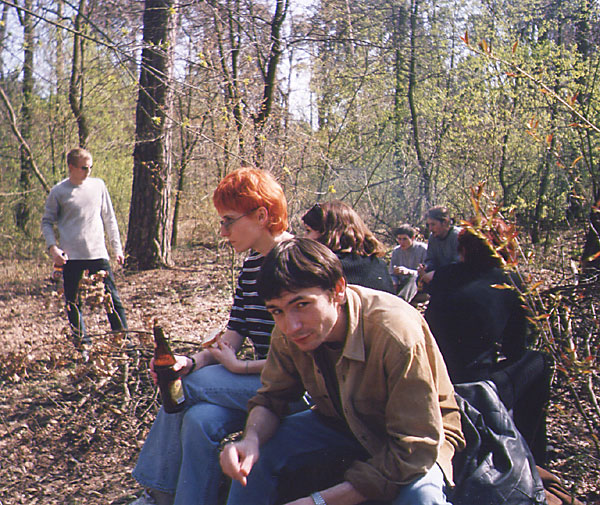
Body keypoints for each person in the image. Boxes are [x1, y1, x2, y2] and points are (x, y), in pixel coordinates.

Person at [220, 237, 466, 505]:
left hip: (420, 437)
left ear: (337, 290)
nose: (291, 326)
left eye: (302, 304)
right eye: (276, 311)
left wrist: (319, 501)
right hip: (341, 421)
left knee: (421, 498)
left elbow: (415, 446)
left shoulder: (394, 332)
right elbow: (272, 398)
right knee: (254, 456)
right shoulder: (290, 330)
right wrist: (251, 439)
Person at [130, 168, 297, 505]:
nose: (222, 232)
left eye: (229, 221)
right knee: (198, 419)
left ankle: (157, 496)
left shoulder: (295, 261)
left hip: (296, 387)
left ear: (261, 215)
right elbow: (235, 332)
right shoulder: (252, 264)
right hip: (263, 386)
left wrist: (238, 368)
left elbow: (300, 359)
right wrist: (190, 362)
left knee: (187, 387)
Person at [424, 222, 550, 465]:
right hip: (475, 390)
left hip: (436, 380)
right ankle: (534, 456)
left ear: (463, 249)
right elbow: (515, 349)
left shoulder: (445, 275)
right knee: (540, 361)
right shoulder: (510, 282)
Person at [41, 148, 127, 357]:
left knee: (112, 299)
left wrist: (117, 248)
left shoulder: (98, 186)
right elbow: (47, 222)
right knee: (73, 302)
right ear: (71, 167)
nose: (88, 171)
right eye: (84, 168)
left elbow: (109, 218)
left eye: (90, 167)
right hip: (71, 257)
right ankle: (83, 346)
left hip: (98, 253)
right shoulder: (59, 192)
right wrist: (53, 248)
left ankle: (124, 341)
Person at [302, 200, 395, 293]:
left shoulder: (321, 270)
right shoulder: (379, 265)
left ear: (328, 234)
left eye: (308, 231)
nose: (304, 237)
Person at [418, 206, 461, 285]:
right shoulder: (433, 237)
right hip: (439, 275)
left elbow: (459, 265)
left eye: (433, 224)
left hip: (456, 277)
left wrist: (436, 274)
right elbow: (430, 259)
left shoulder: (458, 236)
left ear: (444, 223)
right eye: (428, 225)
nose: (430, 229)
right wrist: (426, 267)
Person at [388, 223, 427, 302]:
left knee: (414, 277)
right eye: (399, 239)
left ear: (412, 238)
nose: (401, 242)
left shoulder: (423, 249)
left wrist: (408, 271)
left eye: (405, 239)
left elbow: (425, 273)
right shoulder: (396, 251)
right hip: (402, 284)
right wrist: (394, 281)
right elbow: (392, 273)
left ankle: (402, 301)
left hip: (419, 286)